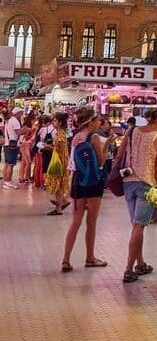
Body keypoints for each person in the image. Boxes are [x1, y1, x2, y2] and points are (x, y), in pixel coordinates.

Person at [121, 106, 157, 283]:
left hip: (128, 182)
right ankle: (128, 269)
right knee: (139, 227)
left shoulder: (132, 131)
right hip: (147, 186)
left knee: (137, 226)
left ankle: (140, 263)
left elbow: (121, 153)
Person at [61, 107, 108, 272]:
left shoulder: (76, 137)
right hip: (94, 183)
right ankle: (90, 258)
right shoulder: (94, 137)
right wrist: (107, 146)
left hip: (77, 181)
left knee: (75, 222)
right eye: (98, 120)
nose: (100, 123)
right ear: (91, 121)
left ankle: (66, 259)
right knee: (91, 222)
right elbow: (101, 162)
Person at [46, 112, 71, 215]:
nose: (53, 122)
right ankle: (62, 201)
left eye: (55, 121)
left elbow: (59, 149)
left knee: (58, 185)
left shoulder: (60, 134)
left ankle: (59, 208)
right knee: (58, 184)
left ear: (60, 123)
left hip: (59, 162)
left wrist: (47, 146)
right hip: (61, 161)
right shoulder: (60, 133)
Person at [2, 107, 23, 189]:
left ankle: (6, 181)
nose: (21, 115)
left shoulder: (9, 121)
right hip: (13, 145)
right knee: (11, 164)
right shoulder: (15, 121)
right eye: (21, 113)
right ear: (17, 113)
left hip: (7, 144)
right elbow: (18, 132)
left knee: (7, 164)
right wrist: (26, 130)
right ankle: (7, 182)